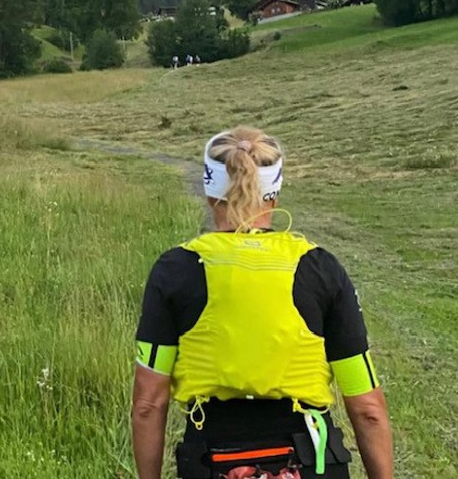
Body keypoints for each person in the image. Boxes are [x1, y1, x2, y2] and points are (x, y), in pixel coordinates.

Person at [131, 127, 393, 479]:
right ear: (274, 195)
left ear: (210, 194)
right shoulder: (320, 268)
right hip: (310, 459)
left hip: (212, 458)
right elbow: (368, 409)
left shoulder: (175, 269)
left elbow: (149, 404)